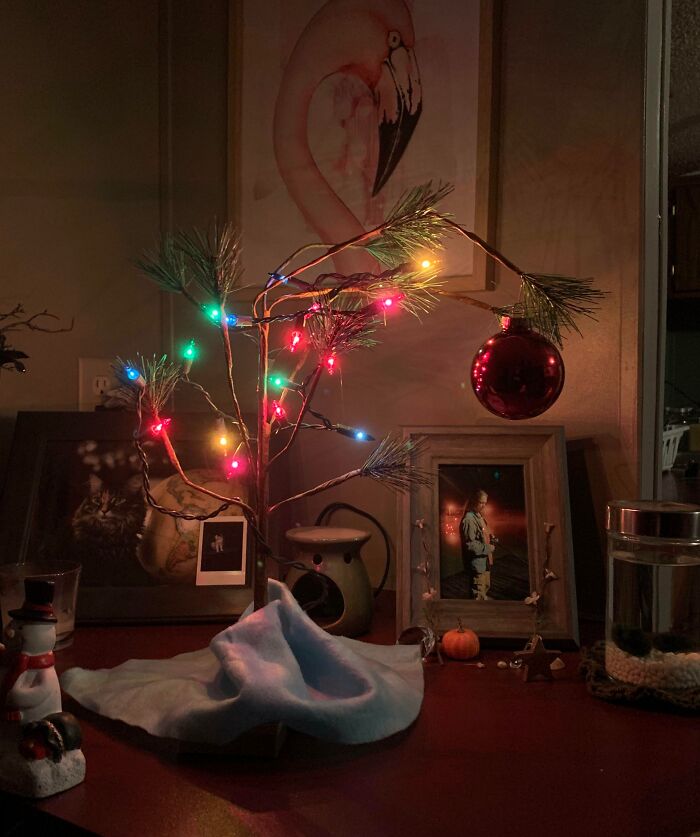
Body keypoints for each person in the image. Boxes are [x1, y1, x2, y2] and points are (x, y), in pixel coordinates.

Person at [460, 490, 496, 600]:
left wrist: (491, 538)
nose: (483, 505)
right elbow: (470, 545)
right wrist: (489, 547)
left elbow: (482, 534)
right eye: (481, 502)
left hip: (484, 563)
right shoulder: (469, 519)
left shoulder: (478, 516)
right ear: (474, 501)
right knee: (478, 596)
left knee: (484, 590)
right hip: (477, 566)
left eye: (485, 503)